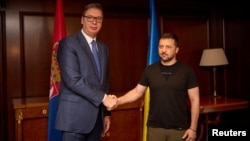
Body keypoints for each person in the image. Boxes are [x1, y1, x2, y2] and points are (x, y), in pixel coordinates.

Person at [115, 33, 200, 141]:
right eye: (161, 47)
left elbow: (195, 100)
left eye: (168, 47)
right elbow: (137, 92)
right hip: (154, 128)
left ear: (177, 50)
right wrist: (117, 101)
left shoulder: (187, 71)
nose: (163, 50)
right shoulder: (149, 70)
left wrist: (193, 129)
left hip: (179, 129)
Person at [55, 3, 117, 141]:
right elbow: (73, 80)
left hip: (97, 120)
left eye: (99, 19)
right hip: (74, 119)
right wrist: (104, 99)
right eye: (90, 17)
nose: (94, 22)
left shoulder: (103, 48)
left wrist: (106, 113)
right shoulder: (68, 44)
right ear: (82, 20)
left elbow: (105, 82)